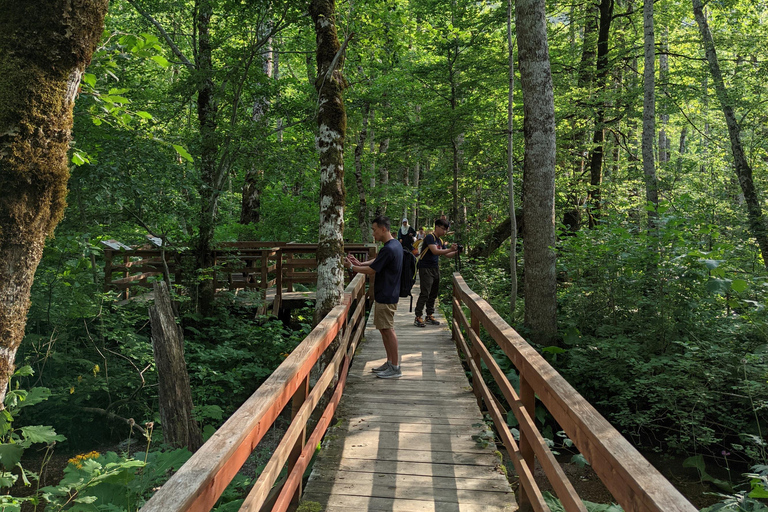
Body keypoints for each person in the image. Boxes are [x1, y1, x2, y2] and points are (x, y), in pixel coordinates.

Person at [344, 216, 404, 379]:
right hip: (388, 293)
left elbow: (372, 270)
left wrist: (352, 267)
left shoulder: (389, 248)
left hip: (387, 294)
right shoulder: (394, 245)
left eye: (374, 229)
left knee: (388, 330)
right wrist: (359, 263)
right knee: (384, 329)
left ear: (383, 229)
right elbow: (377, 261)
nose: (373, 233)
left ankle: (395, 367)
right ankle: (390, 362)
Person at [414, 218, 457, 328]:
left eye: (446, 230)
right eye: (443, 229)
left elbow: (447, 255)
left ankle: (429, 314)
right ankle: (418, 316)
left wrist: (455, 251)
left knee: (433, 292)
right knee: (425, 293)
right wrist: (450, 249)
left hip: (435, 268)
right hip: (425, 268)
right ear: (437, 227)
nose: (445, 232)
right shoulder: (430, 237)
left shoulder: (440, 241)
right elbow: (435, 251)